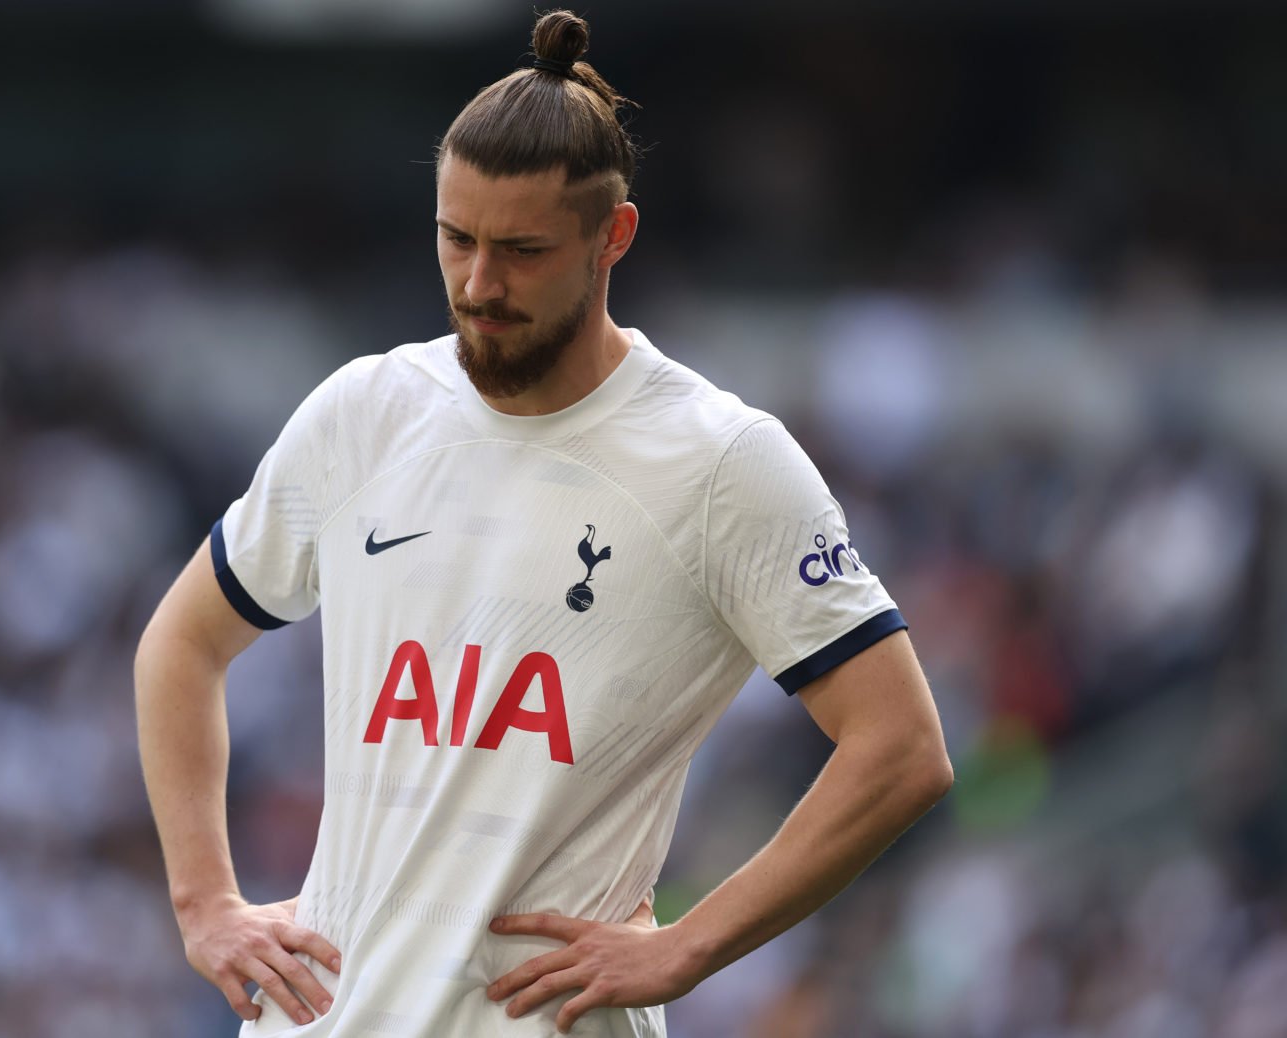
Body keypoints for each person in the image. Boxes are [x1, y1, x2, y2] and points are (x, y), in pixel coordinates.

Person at [134, 10, 953, 1036]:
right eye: (456, 239)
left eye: (521, 251)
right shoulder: (366, 411)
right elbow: (184, 640)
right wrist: (206, 903)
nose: (479, 285)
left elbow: (901, 748)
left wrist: (688, 946)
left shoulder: (719, 462)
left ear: (614, 238)